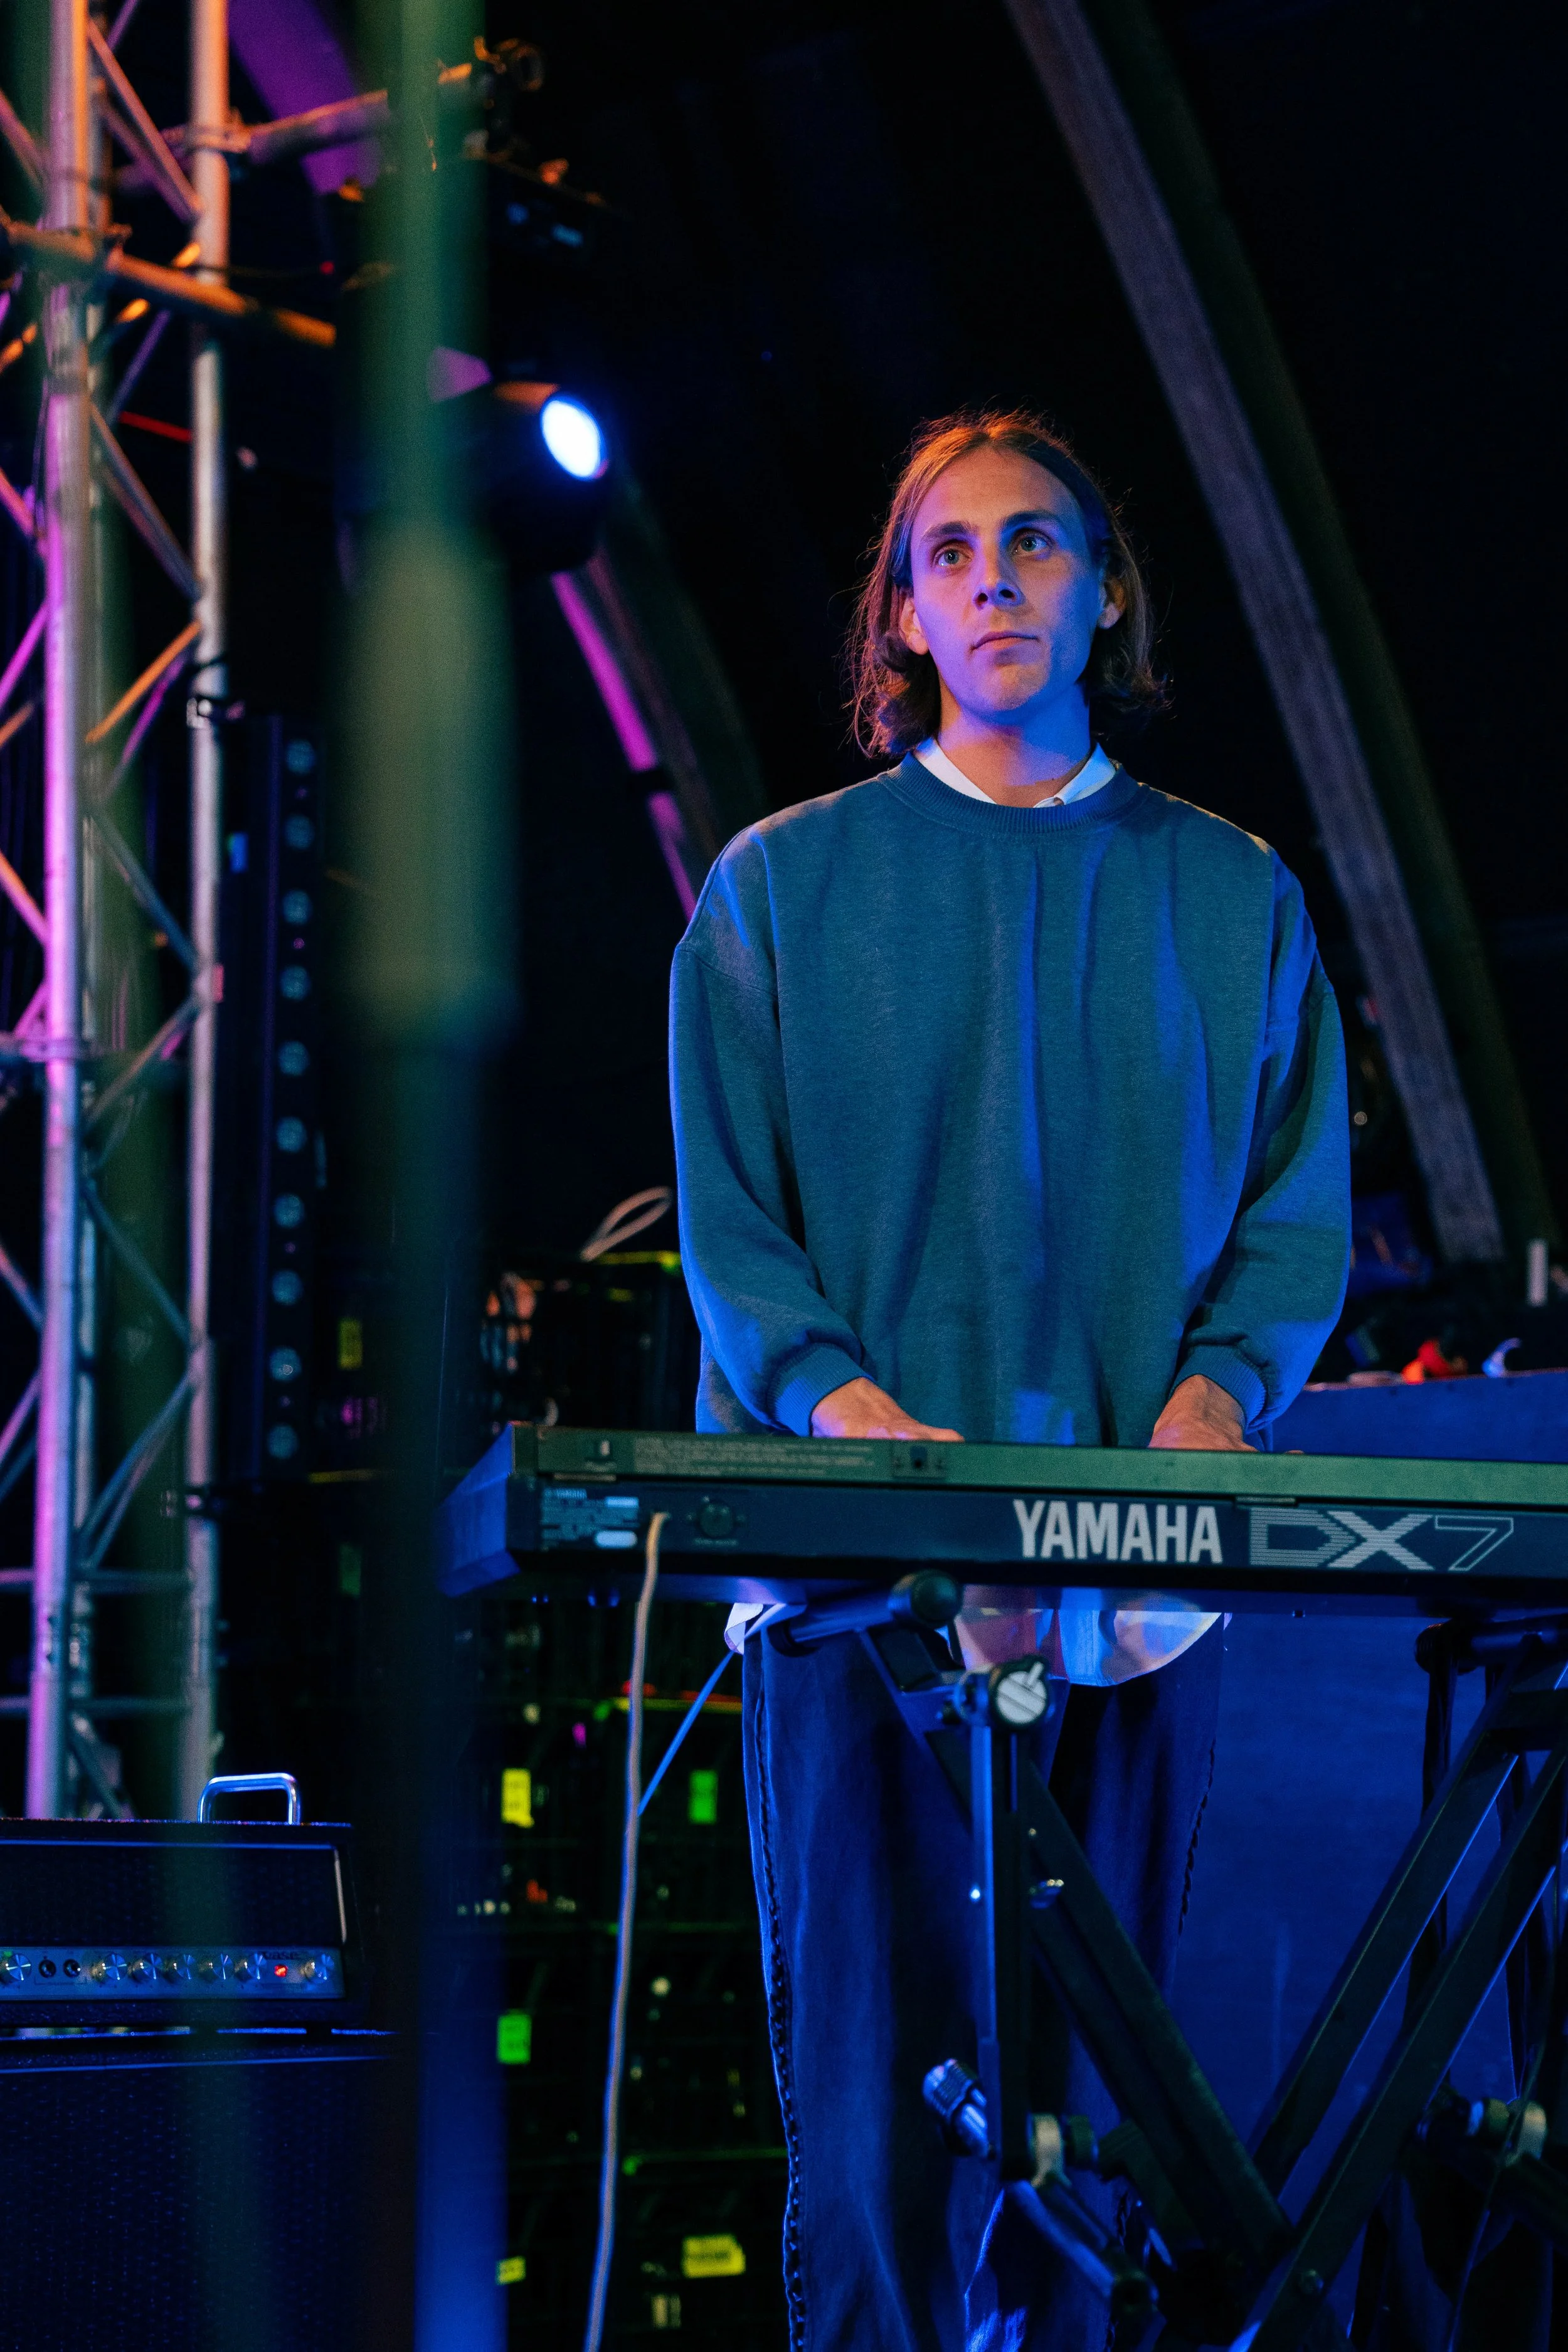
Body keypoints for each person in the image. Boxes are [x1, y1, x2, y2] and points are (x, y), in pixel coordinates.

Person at [669, 408, 1350, 2350]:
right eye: (949, 553)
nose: (994, 581)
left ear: (1103, 583)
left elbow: (1291, 1224)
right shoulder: (779, 890)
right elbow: (733, 1230)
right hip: (855, 1594)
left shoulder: (1238, 897)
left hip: (1135, 1595)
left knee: (1082, 2128)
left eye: (1034, 544)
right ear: (901, 609)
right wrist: (862, 1432)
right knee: (878, 2138)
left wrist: (1209, 1411)